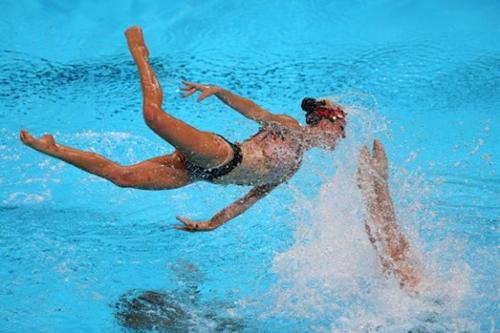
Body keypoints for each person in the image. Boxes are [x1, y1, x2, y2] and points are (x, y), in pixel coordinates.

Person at [19, 26, 346, 231]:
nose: (341, 137)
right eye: (340, 128)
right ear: (325, 119)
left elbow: (250, 198)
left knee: (122, 178)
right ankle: (140, 53)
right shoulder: (288, 128)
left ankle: (53, 148)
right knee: (152, 116)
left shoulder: (293, 167)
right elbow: (255, 111)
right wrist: (220, 92)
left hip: (199, 173)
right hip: (219, 154)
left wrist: (212, 224)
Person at [357, 140, 423, 292]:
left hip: (423, 297)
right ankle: (375, 184)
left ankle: (373, 184)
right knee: (397, 252)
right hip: (426, 295)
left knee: (393, 254)